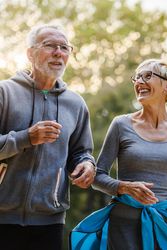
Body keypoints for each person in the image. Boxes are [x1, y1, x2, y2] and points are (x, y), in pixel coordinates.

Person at [70, 59, 167, 250]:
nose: (139, 82)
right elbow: (97, 176)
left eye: (148, 76)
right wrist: (125, 187)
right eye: (137, 77)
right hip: (124, 224)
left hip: (166, 223)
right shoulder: (120, 124)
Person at [0, 24, 96, 250]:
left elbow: (82, 151)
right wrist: (26, 138)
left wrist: (86, 164)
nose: (58, 52)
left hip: (49, 220)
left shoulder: (76, 104)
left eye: (65, 47)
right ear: (30, 53)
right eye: (50, 45)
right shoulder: (5, 93)